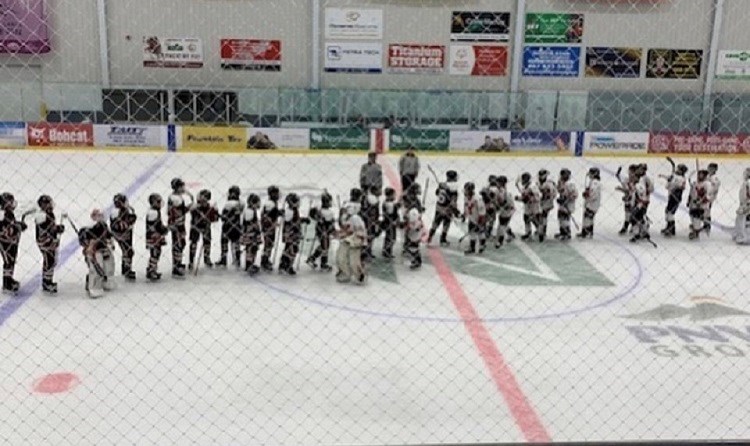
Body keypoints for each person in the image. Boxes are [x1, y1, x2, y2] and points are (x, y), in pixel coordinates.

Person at [79, 209, 115, 299]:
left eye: (101, 215)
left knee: (109, 266)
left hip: (104, 249)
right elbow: (86, 241)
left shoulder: (104, 226)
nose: (100, 217)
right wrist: (89, 248)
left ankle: (106, 281)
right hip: (95, 252)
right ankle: (94, 287)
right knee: (96, 270)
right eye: (98, 215)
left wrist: (111, 243)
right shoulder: (88, 228)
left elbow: (109, 236)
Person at [34, 195, 65, 293]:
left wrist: (56, 229)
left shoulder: (49, 214)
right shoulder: (42, 216)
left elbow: (51, 227)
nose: (50, 205)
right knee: (49, 261)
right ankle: (46, 283)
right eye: (48, 203)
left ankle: (48, 281)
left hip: (50, 241)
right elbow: (46, 228)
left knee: (51, 261)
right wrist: (56, 229)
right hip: (45, 242)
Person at [336, 189, 367, 285]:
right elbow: (341, 222)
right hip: (347, 235)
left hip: (354, 236)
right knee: (342, 256)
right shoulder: (349, 208)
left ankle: (358, 274)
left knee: (353, 258)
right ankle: (347, 273)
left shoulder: (356, 216)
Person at [0, 192, 25, 293]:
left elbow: (12, 225)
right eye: (10, 202)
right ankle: (7, 283)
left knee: (11, 261)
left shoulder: (9, 214)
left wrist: (18, 225)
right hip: (4, 243)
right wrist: (18, 228)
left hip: (10, 242)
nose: (12, 204)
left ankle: (9, 279)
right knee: (8, 261)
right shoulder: (2, 216)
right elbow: (6, 231)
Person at [188, 189, 219, 271]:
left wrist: (213, 214)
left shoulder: (210, 207)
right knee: (194, 243)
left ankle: (207, 258)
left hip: (206, 227)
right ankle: (191, 261)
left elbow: (215, 218)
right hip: (195, 227)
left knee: (207, 243)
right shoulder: (195, 207)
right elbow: (191, 212)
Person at [167, 177, 192, 277]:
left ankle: (178, 263)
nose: (183, 188)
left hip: (179, 223)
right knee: (178, 244)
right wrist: (190, 207)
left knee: (181, 243)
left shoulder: (175, 197)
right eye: (182, 186)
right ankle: (176, 267)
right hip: (177, 225)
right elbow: (180, 212)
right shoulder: (176, 199)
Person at [279, 193, 308, 275]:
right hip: (291, 234)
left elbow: (296, 220)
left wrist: (303, 220)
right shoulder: (290, 211)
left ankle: (284, 264)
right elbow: (290, 220)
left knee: (290, 249)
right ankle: (287, 265)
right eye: (297, 201)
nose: (299, 203)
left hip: (294, 234)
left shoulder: (294, 210)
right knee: (292, 249)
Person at [427, 170, 459, 247]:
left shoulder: (442, 185)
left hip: (439, 208)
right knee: (446, 224)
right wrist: (455, 210)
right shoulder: (454, 187)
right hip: (447, 209)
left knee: (436, 223)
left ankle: (430, 237)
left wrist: (441, 188)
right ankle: (443, 239)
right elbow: (453, 201)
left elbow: (437, 193)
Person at [307, 191, 336, 272]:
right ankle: (323, 264)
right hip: (323, 231)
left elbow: (330, 223)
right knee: (325, 247)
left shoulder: (326, 211)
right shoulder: (322, 212)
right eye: (330, 201)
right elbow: (320, 221)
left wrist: (332, 229)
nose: (331, 202)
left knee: (324, 246)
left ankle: (312, 259)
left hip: (325, 231)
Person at [110, 193, 137, 280]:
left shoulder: (126, 210)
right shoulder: (116, 213)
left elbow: (132, 219)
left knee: (128, 251)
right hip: (122, 235)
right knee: (128, 251)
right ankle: (126, 269)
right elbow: (118, 226)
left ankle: (126, 268)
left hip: (126, 234)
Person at [145, 193, 169, 281]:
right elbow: (156, 226)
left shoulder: (155, 211)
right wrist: (165, 229)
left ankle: (153, 269)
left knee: (156, 253)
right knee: (154, 253)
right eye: (158, 201)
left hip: (155, 236)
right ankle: (151, 271)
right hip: (153, 237)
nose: (160, 203)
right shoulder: (153, 213)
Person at [218, 185, 243, 267]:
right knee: (235, 244)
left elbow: (224, 217)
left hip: (228, 227)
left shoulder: (228, 205)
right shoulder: (241, 204)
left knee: (227, 243)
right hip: (236, 227)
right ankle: (236, 260)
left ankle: (225, 259)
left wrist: (221, 216)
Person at [660, 164, 688, 237]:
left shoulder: (682, 179)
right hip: (671, 196)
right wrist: (667, 178)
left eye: (679, 169)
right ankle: (668, 227)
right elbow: (668, 184)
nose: (677, 170)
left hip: (675, 197)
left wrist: (670, 181)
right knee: (667, 211)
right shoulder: (675, 176)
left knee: (670, 213)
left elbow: (679, 187)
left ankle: (671, 229)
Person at [260, 185, 281, 272]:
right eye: (275, 193)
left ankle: (266, 259)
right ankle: (264, 261)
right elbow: (267, 216)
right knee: (268, 244)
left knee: (270, 244)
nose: (277, 195)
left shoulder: (273, 203)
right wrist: (277, 213)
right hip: (268, 228)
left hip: (271, 227)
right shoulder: (270, 204)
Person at [629, 165, 652, 243]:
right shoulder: (636, 184)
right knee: (637, 219)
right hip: (638, 204)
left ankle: (640, 233)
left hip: (640, 205)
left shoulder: (639, 186)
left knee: (635, 219)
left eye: (634, 176)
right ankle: (642, 232)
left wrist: (638, 207)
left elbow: (642, 198)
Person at [516, 173, 541, 241]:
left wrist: (530, 199)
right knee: (526, 218)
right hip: (528, 206)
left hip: (534, 206)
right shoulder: (526, 186)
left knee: (534, 219)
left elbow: (538, 196)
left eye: (523, 179)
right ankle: (528, 233)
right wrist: (519, 198)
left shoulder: (532, 186)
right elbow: (524, 195)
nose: (522, 181)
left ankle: (540, 232)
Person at [463, 181, 486, 255]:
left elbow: (482, 210)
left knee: (480, 233)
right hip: (471, 218)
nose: (465, 191)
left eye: (467, 189)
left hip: (479, 218)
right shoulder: (466, 197)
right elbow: (466, 206)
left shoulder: (478, 198)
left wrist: (480, 221)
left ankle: (482, 245)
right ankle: (472, 248)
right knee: (472, 233)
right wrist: (464, 215)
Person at [688, 169, 712, 241]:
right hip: (693, 203)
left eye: (701, 174)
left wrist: (701, 202)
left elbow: (708, 195)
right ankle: (695, 228)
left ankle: (696, 231)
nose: (699, 176)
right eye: (699, 174)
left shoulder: (707, 184)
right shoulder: (696, 183)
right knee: (692, 215)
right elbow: (692, 191)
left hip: (701, 205)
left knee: (697, 216)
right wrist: (689, 200)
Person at [241, 193, 262, 274]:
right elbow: (248, 223)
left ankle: (251, 263)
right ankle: (249, 264)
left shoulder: (253, 211)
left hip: (253, 234)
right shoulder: (249, 211)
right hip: (250, 235)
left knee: (254, 249)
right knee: (250, 249)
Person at [578, 168, 602, 239]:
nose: (589, 174)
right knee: (589, 217)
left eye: (591, 173)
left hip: (592, 203)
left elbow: (593, 193)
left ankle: (586, 233)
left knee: (587, 217)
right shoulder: (594, 182)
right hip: (592, 203)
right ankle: (589, 232)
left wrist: (587, 195)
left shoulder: (595, 183)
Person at [555, 169, 577, 241]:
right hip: (563, 203)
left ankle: (567, 233)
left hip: (568, 204)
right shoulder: (562, 182)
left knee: (565, 218)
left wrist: (565, 200)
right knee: (560, 216)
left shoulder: (570, 184)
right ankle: (562, 232)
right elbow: (560, 190)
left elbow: (574, 195)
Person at [615, 165, 637, 235]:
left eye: (631, 172)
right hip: (628, 199)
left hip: (634, 200)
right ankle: (625, 227)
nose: (629, 173)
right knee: (627, 214)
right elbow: (625, 188)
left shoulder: (637, 181)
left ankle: (634, 227)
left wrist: (621, 189)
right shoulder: (627, 180)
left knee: (634, 214)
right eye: (629, 171)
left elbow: (631, 191)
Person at [495, 176, 516, 247]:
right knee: (504, 224)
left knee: (501, 226)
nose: (496, 183)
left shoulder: (503, 192)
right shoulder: (502, 190)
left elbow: (503, 202)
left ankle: (500, 241)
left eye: (497, 182)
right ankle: (510, 234)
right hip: (507, 209)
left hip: (507, 210)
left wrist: (498, 207)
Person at [537, 169, 557, 242]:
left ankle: (542, 232)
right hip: (541, 202)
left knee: (543, 217)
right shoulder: (539, 182)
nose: (540, 177)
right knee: (541, 217)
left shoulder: (549, 184)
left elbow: (553, 193)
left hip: (547, 203)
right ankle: (541, 230)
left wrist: (548, 196)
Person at [380, 187, 401, 259]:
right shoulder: (389, 204)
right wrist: (394, 221)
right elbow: (391, 213)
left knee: (388, 237)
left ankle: (386, 250)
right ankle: (387, 251)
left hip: (388, 223)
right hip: (390, 223)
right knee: (391, 237)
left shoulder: (386, 203)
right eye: (394, 195)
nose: (394, 196)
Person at [734, 168, 750, 245]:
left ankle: (743, 236)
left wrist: (748, 205)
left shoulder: (748, 183)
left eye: (746, 173)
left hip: (747, 204)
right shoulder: (746, 182)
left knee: (742, 219)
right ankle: (739, 234)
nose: (745, 175)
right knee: (740, 218)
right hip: (744, 204)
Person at [705, 163, 721, 235]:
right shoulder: (707, 176)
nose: (709, 169)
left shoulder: (715, 178)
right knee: (704, 210)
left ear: (715, 169)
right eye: (709, 167)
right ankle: (705, 224)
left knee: (707, 211)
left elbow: (714, 188)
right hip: (705, 196)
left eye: (711, 168)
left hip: (710, 197)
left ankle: (707, 226)